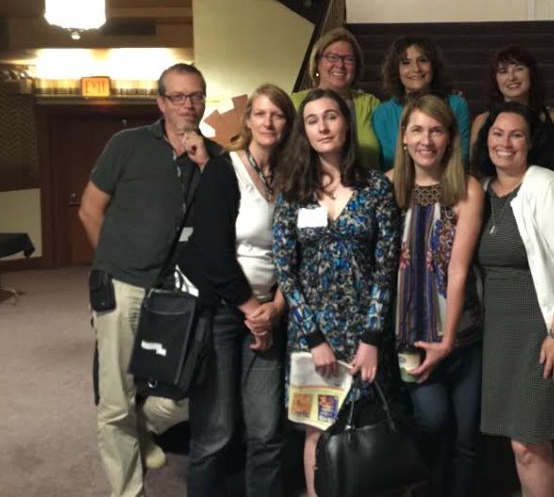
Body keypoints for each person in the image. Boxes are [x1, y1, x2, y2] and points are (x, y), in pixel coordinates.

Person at [78, 63, 219, 497]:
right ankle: (129, 491)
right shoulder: (127, 144)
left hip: (176, 293)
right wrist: (115, 263)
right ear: (161, 102)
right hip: (122, 284)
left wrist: (207, 164)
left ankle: (141, 430)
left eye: (195, 96)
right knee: (116, 397)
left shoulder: (212, 155)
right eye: (178, 96)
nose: (188, 105)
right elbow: (90, 209)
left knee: (182, 391)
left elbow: (221, 221)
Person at [472, 103, 554, 497]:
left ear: (530, 143)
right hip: (501, 333)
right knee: (522, 443)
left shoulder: (545, 184)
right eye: (498, 133)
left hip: (542, 328)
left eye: (516, 135)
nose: (505, 142)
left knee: (529, 442)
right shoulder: (481, 190)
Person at [272, 88, 399, 497]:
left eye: (331, 116)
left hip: (364, 334)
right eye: (312, 120)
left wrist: (371, 339)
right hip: (313, 336)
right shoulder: (293, 190)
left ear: (346, 122)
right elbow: (285, 272)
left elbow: (386, 268)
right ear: (303, 131)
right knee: (317, 432)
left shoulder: (376, 187)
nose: (323, 126)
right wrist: (314, 340)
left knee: (361, 431)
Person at [178, 84, 294, 496]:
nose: (268, 122)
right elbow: (211, 253)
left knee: (266, 432)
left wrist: (274, 309)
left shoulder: (290, 178)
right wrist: (252, 310)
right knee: (215, 432)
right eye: (260, 113)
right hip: (226, 314)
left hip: (270, 313)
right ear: (247, 121)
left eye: (277, 115)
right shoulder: (225, 170)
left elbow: (294, 253)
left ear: (286, 123)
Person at [386, 94, 484, 497]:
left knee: (466, 438)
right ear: (404, 137)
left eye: (436, 130)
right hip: (408, 334)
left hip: (461, 333)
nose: (426, 139)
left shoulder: (466, 188)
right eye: (417, 129)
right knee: (432, 420)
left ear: (449, 138)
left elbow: (459, 269)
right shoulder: (388, 186)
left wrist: (448, 340)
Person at [470, 45, 554, 183]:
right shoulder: (483, 121)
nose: (511, 77)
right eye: (503, 71)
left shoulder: (553, 116)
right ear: (495, 79)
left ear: (531, 73)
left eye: (519, 69)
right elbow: (476, 172)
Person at [372, 35, 471, 170]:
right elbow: (387, 164)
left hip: (449, 185)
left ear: (433, 66)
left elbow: (461, 159)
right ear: (396, 70)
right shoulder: (383, 113)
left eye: (423, 60)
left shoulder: (456, 105)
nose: (416, 69)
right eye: (406, 63)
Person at [290, 27, 381, 169]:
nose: (340, 65)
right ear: (317, 63)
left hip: (368, 187)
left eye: (349, 59)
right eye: (332, 57)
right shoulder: (294, 103)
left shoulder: (370, 104)